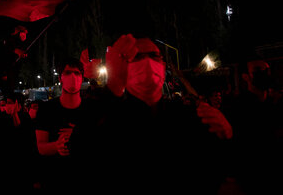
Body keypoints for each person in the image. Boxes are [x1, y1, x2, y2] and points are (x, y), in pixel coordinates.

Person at [71, 34, 235, 194]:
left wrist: (226, 136)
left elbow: (215, 168)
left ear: (163, 65)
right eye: (138, 57)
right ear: (124, 66)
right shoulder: (109, 115)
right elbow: (81, 158)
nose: (147, 62)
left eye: (154, 56)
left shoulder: (186, 116)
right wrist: (113, 86)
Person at [35, 56, 95, 194]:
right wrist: (57, 146)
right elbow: (41, 147)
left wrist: (78, 137)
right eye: (68, 73)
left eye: (77, 73)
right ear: (60, 78)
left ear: (82, 77)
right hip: (55, 181)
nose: (73, 77)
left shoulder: (92, 109)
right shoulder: (46, 110)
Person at [225, 59, 282, 194]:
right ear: (246, 76)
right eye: (257, 70)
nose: (264, 74)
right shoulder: (237, 107)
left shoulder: (277, 104)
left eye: (266, 70)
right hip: (251, 176)